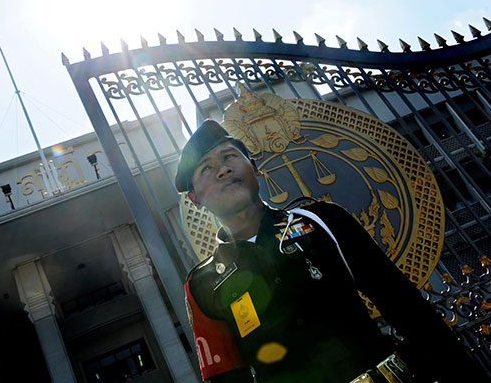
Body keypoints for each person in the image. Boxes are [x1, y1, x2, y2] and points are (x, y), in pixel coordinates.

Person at [176, 120, 488, 383]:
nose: (222, 170)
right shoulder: (202, 286)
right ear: (194, 199)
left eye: (230, 156)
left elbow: (405, 307)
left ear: (253, 167)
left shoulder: (322, 221)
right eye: (206, 169)